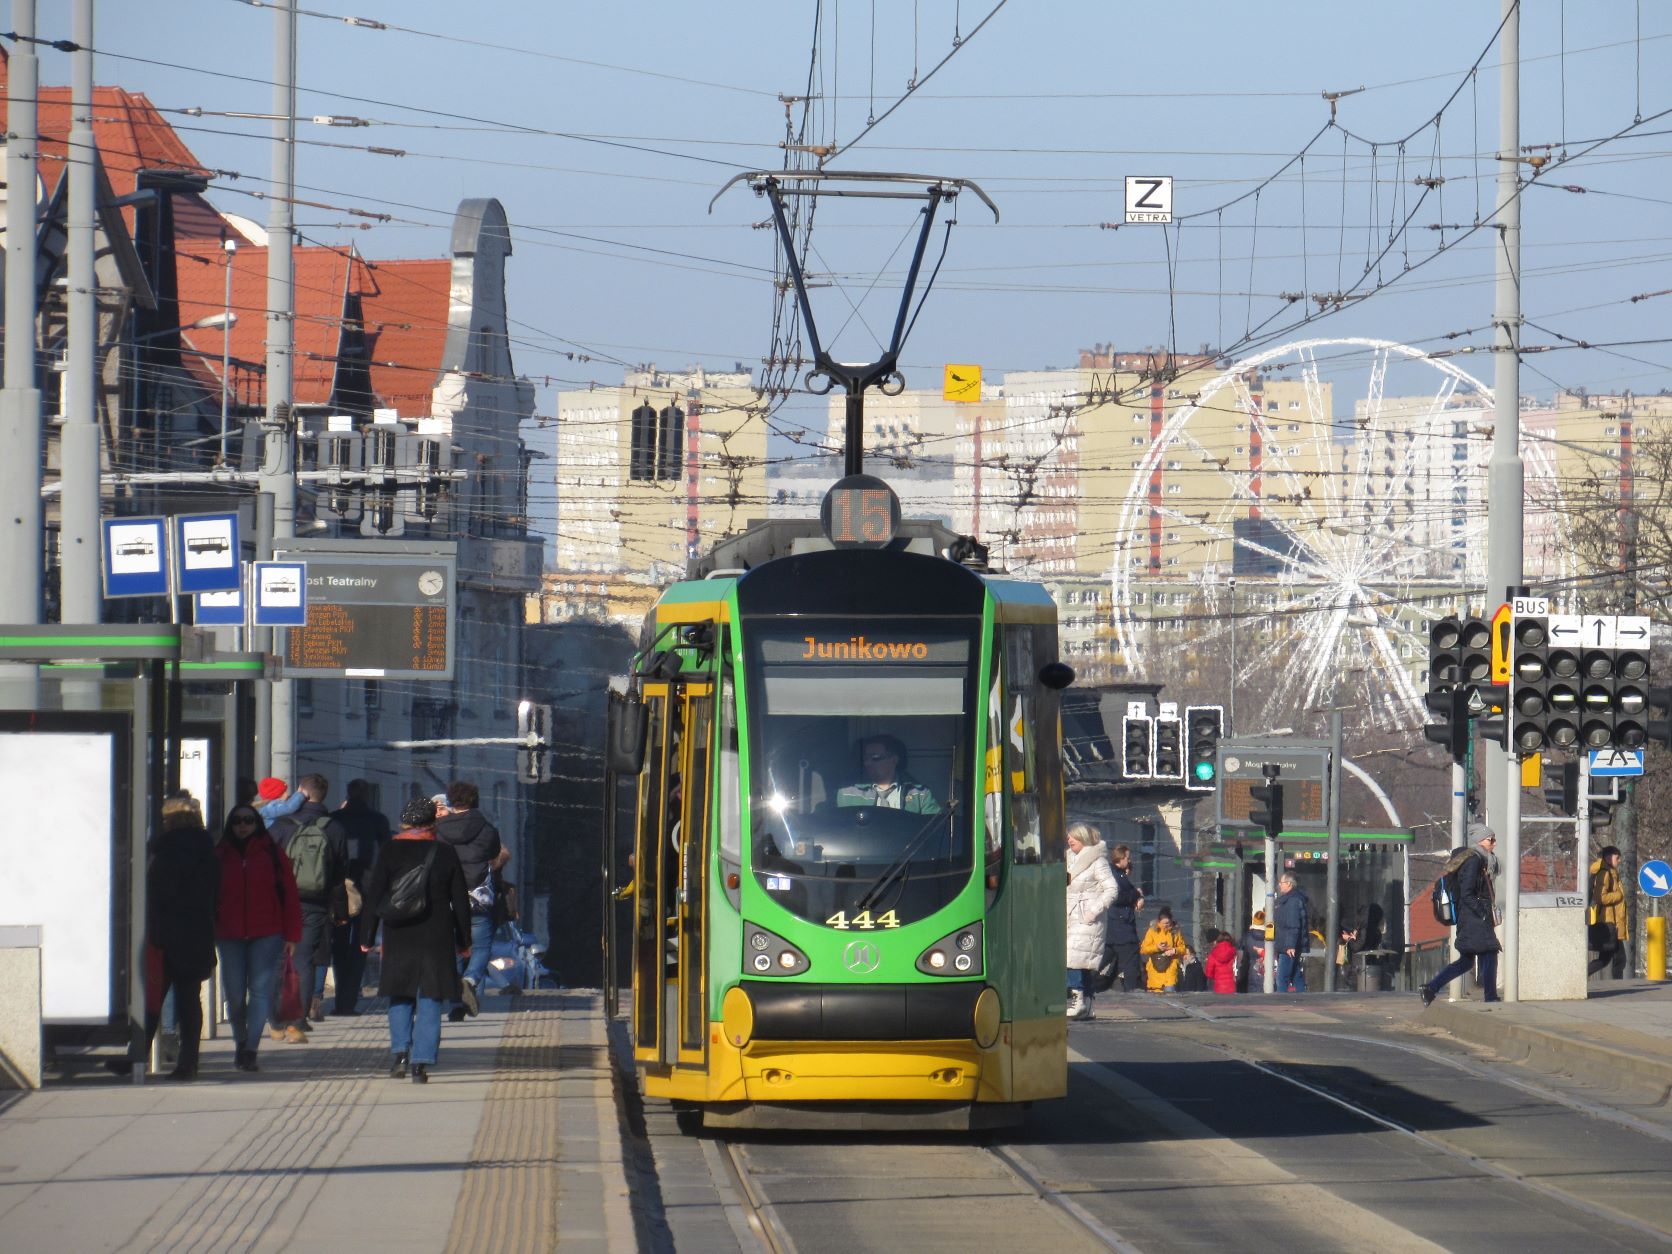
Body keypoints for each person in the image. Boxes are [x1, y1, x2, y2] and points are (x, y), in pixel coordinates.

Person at [360, 797, 472, 1084]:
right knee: (431, 997)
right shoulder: (444, 852)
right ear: (432, 822)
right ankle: (421, 1064)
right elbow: (460, 900)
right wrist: (464, 940)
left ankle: (399, 1054)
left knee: (400, 993)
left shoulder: (390, 850)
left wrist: (367, 935)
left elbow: (374, 895)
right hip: (437, 934)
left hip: (399, 932)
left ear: (405, 821)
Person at [107, 796, 220, 1080]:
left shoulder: (165, 850)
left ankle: (137, 1055)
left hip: (164, 932)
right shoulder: (208, 848)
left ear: (169, 819)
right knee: (188, 1000)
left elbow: (159, 892)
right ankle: (188, 1062)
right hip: (197, 932)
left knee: (150, 997)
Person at [215, 803, 301, 1073]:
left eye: (248, 821)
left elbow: (289, 895)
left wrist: (292, 934)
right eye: (237, 821)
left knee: (260, 991)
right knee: (235, 993)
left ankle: (250, 1048)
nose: (242, 825)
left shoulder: (272, 854)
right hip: (229, 933)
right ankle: (240, 1040)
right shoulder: (219, 854)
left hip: (267, 932)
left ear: (256, 823)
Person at [268, 774, 349, 1035]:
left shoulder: (281, 824)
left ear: (301, 792)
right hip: (315, 902)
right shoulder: (334, 828)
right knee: (304, 960)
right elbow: (339, 873)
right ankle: (297, 1021)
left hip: (280, 902)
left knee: (279, 960)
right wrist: (340, 910)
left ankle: (277, 1021)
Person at [436, 780, 508, 1022]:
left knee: (455, 951)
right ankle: (471, 979)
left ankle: (456, 1003)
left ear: (451, 802)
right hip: (477, 896)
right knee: (480, 948)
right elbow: (494, 853)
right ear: (475, 801)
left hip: (447, 898)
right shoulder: (487, 829)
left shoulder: (439, 830)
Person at [330, 779, 391, 1015]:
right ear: (367, 795)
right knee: (360, 945)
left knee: (338, 943)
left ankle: (339, 999)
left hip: (338, 889)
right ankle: (349, 999)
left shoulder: (335, 819)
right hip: (368, 889)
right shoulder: (377, 821)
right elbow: (386, 854)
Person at [1421, 826, 1501, 1006]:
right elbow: (1467, 892)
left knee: (1466, 961)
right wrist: (1482, 913)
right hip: (1474, 918)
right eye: (1491, 840)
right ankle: (1490, 997)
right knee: (1489, 952)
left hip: (1470, 918)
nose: (1494, 844)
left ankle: (1430, 988)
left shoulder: (1478, 859)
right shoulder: (1473, 861)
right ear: (1480, 841)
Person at [1065, 822, 1118, 1020]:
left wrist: (1093, 910)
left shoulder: (1098, 861)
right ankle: (1087, 1004)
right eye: (1068, 837)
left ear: (1084, 838)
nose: (1069, 840)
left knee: (1073, 958)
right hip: (1070, 915)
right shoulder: (1068, 859)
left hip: (1087, 917)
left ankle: (1077, 999)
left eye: (1073, 837)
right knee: (1081, 960)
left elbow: (1112, 889)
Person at [835, 735, 942, 813]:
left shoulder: (920, 794)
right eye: (866, 758)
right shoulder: (847, 793)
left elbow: (935, 830)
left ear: (894, 760)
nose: (867, 763)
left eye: (875, 758)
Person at [1099, 843, 1145, 993]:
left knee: (1105, 959)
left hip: (1115, 929)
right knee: (1131, 960)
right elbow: (1117, 896)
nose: (1129, 861)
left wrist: (1137, 896)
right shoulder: (1114, 875)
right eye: (1127, 858)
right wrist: (1137, 894)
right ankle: (1133, 990)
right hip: (1121, 927)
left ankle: (1089, 986)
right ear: (1121, 858)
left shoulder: (1118, 874)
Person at [1588, 844, 1627, 979]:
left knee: (1606, 959)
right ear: (1609, 858)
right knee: (1619, 959)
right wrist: (1619, 895)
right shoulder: (1604, 873)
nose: (1619, 860)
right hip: (1607, 922)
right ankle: (1620, 987)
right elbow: (1601, 897)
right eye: (1617, 857)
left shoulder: (1611, 872)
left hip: (1610, 922)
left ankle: (1580, 975)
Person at [1273, 872, 1311, 993]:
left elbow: (1293, 925)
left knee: (1281, 978)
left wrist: (1290, 945)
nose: (1279, 885)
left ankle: (1281, 1003)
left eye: (1281, 882)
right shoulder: (1290, 900)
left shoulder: (1292, 901)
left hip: (1288, 946)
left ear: (1289, 884)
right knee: (1295, 975)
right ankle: (1302, 998)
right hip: (1288, 944)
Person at [1140, 907, 1192, 992]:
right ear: (1159, 922)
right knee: (1155, 999)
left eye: (1168, 923)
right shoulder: (1152, 931)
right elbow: (1144, 949)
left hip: (1170, 968)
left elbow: (1183, 949)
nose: (1166, 925)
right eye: (1164, 923)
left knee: (1170, 995)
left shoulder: (1176, 932)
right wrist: (1157, 948)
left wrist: (1175, 950)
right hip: (1155, 968)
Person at [1203, 928, 1239, 994]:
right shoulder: (1233, 951)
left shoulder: (1213, 955)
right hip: (1232, 987)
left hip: (1218, 988)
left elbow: (1209, 974)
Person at [1239, 910, 1267, 993]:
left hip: (1253, 968)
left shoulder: (1247, 936)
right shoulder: (1271, 936)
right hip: (1268, 968)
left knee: (1253, 993)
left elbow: (1241, 954)